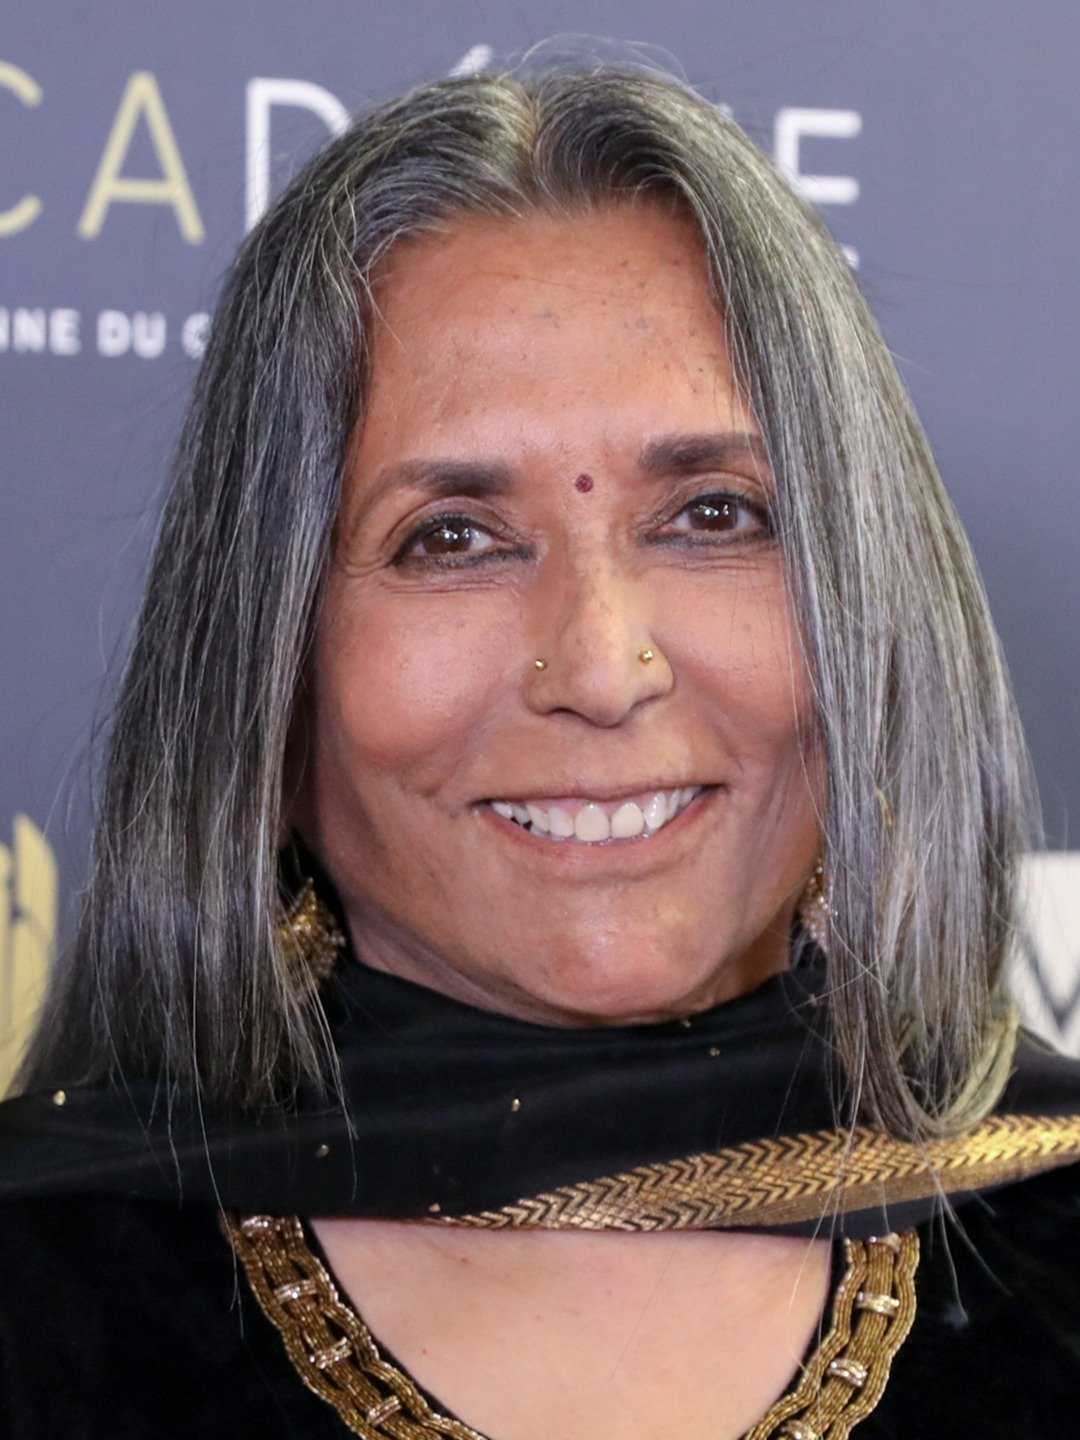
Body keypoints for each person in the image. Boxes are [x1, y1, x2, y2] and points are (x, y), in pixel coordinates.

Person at [1, 58, 1078, 1440]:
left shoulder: (1048, 1220)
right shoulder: (47, 1295)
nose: (603, 668)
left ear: (875, 600)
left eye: (714, 514)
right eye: (451, 537)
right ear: (264, 662)